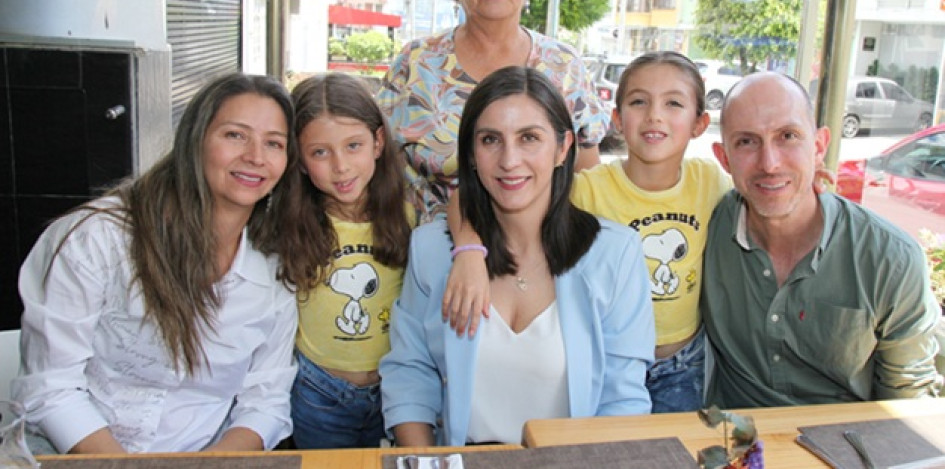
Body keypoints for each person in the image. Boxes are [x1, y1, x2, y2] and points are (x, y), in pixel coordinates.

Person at [12, 74, 299, 454]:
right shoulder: (97, 239)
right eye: (235, 135)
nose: (256, 157)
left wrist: (212, 466)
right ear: (194, 140)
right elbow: (51, 386)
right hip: (79, 457)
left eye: (273, 143)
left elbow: (266, 400)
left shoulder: (274, 269)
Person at [379, 66, 654, 447]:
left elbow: (623, 402)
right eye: (490, 140)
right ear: (471, 154)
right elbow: (409, 374)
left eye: (529, 138)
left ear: (562, 149)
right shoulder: (431, 251)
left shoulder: (615, 255)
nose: (509, 160)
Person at [444, 51, 731, 413]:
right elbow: (469, 198)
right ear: (616, 118)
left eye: (673, 103)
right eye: (639, 101)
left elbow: (758, 196)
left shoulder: (710, 181)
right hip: (603, 357)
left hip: (680, 363)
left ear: (700, 123)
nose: (654, 115)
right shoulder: (589, 189)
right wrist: (469, 251)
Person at [702, 71, 943, 408]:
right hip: (733, 444)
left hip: (845, 446)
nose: (769, 164)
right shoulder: (703, 228)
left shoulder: (890, 258)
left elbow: (907, 402)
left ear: (818, 146)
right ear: (724, 157)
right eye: (746, 141)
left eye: (787, 136)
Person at [375, 0, 610, 222]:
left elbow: (586, 179)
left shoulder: (563, 66)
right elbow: (375, 163)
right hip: (428, 255)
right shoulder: (416, 63)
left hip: (542, 258)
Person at [279, 73, 414, 449]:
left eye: (353, 145)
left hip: (392, 389)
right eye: (320, 152)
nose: (340, 166)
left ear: (377, 142)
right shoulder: (288, 224)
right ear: (301, 161)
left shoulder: (406, 215)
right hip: (318, 391)